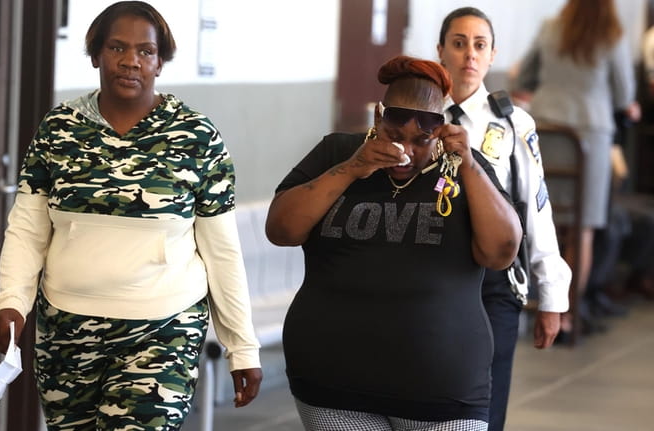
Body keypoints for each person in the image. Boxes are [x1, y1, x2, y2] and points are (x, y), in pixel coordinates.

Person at [0, 2, 262, 429]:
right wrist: (11, 302)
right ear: (95, 55)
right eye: (117, 47)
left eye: (146, 51)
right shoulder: (59, 129)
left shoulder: (195, 137)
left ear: (160, 62)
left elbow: (221, 251)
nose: (131, 60)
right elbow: (27, 230)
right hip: (67, 328)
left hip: (163, 329)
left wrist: (241, 347)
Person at [266, 55, 523, 431]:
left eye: (421, 140)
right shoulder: (338, 152)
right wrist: (353, 168)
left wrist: (467, 164)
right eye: (394, 135)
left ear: (440, 128)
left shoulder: (464, 166)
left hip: (444, 392)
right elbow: (282, 230)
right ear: (378, 117)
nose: (407, 151)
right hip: (333, 384)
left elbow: (501, 253)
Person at [436, 7, 571, 431]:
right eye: (458, 44)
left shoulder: (513, 124)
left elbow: (537, 212)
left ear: (492, 55)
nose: (468, 56)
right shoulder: (419, 118)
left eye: (479, 46)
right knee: (431, 396)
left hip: (494, 282)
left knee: (486, 402)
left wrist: (551, 297)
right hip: (431, 277)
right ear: (441, 51)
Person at [514, 0, 640, 338]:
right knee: (581, 229)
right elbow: (623, 94)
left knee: (541, 222)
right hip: (590, 139)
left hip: (547, 132)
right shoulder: (612, 36)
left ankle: (529, 305)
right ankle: (565, 316)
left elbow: (525, 75)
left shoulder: (549, 29)